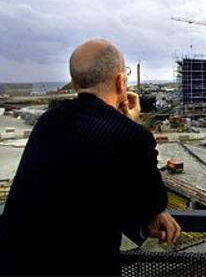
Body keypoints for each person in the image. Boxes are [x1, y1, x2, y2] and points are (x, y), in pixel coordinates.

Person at [0, 39, 180, 276]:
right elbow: (155, 202)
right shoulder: (130, 136)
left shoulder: (48, 121)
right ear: (120, 81)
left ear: (74, 83)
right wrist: (128, 124)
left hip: (14, 263)